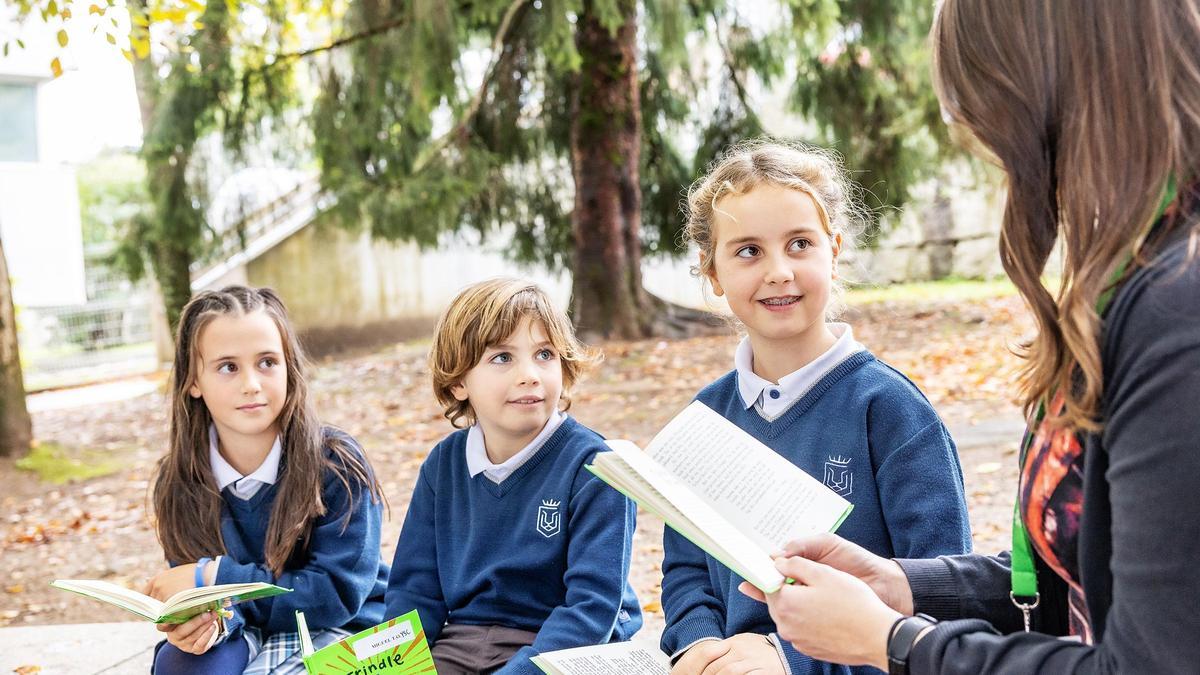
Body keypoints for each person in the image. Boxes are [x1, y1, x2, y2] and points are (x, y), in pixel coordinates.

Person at [743, 1, 1200, 673]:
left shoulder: (1177, 314)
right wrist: (904, 587)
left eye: (981, 112)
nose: (987, 151)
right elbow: (1074, 584)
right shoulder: (1132, 276)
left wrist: (896, 642)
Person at [662, 140, 973, 674]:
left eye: (799, 243)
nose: (779, 270)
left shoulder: (891, 410)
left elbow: (938, 599)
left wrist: (785, 659)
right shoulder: (706, 416)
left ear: (835, 248)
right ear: (712, 272)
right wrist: (696, 647)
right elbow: (687, 572)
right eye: (748, 251)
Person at [384, 278, 642, 674]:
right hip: (464, 639)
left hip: (568, 647)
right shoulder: (444, 466)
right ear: (458, 383)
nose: (530, 375)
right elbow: (415, 591)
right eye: (502, 358)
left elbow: (591, 609)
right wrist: (398, 666)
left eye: (544, 354)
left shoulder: (594, 467)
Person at [144, 286, 389, 674]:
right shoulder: (177, 484)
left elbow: (335, 596)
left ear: (289, 368)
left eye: (267, 362)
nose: (251, 384)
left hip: (346, 628)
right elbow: (197, 600)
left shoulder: (335, 463)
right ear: (193, 381)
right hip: (242, 628)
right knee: (181, 666)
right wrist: (193, 625)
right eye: (228, 367)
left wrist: (213, 576)